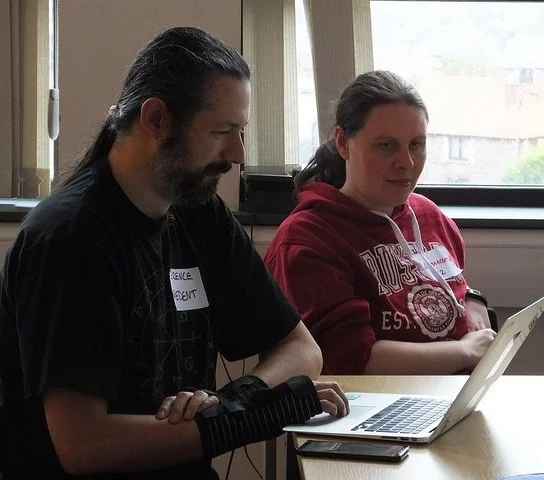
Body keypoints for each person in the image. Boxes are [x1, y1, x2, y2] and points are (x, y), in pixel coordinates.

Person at [0, 26, 348, 479]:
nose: (237, 154)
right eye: (222, 131)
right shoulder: (70, 240)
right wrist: (249, 418)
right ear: (157, 119)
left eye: (239, 132)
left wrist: (234, 402)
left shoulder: (197, 209)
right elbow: (83, 446)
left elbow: (301, 348)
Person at [264, 70, 497, 376]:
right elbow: (349, 360)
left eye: (416, 144)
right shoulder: (308, 239)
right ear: (343, 143)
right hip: (369, 408)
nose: (406, 163)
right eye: (386, 146)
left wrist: (471, 298)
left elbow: (446, 286)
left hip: (449, 395)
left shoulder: (429, 216)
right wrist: (464, 351)